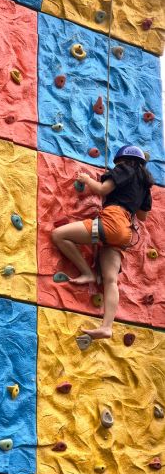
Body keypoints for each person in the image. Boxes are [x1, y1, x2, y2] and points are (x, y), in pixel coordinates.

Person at [51, 145, 154, 340]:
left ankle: (88, 272)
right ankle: (107, 326)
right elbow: (142, 216)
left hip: (111, 222)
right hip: (125, 233)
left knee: (59, 235)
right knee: (110, 280)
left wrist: (86, 179)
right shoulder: (144, 184)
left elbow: (101, 189)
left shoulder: (124, 169)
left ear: (123, 159)